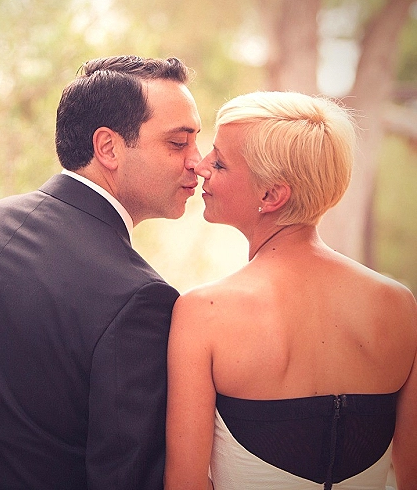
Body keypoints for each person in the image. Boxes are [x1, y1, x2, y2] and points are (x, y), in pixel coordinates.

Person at [0, 55, 202, 490]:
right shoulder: (139, 298)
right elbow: (125, 475)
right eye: (178, 143)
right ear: (108, 148)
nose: (198, 161)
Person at [164, 91, 417, 490]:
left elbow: (184, 484)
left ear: (271, 195)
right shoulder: (398, 306)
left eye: (220, 161)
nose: (201, 166)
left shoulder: (204, 313)